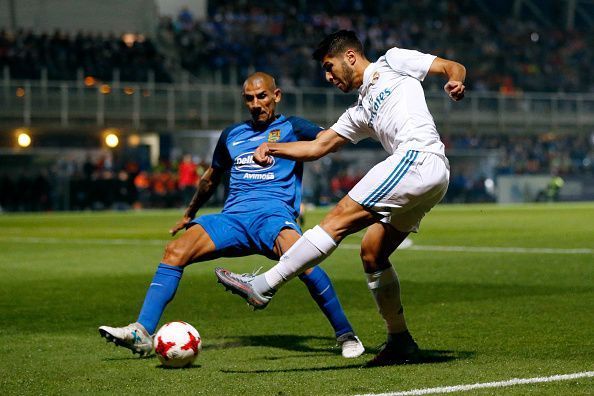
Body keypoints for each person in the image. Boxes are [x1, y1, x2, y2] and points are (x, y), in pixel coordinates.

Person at [215, 30, 466, 367]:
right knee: (372, 253)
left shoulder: (392, 61)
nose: (328, 76)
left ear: (350, 57)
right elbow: (318, 146)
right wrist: (272, 147)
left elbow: (452, 66)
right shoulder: (360, 111)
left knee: (336, 220)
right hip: (430, 176)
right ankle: (400, 339)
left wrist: (455, 81)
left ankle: (264, 284)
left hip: (418, 157)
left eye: (330, 67)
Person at [99, 72, 364, 359]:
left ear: (276, 96)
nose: (255, 104)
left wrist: (279, 148)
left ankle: (346, 334)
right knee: (175, 250)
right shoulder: (232, 135)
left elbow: (328, 141)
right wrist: (190, 214)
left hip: (273, 217)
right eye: (249, 98)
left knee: (307, 262)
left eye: (262, 96)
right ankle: (142, 332)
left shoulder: (294, 127)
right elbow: (210, 179)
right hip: (233, 219)